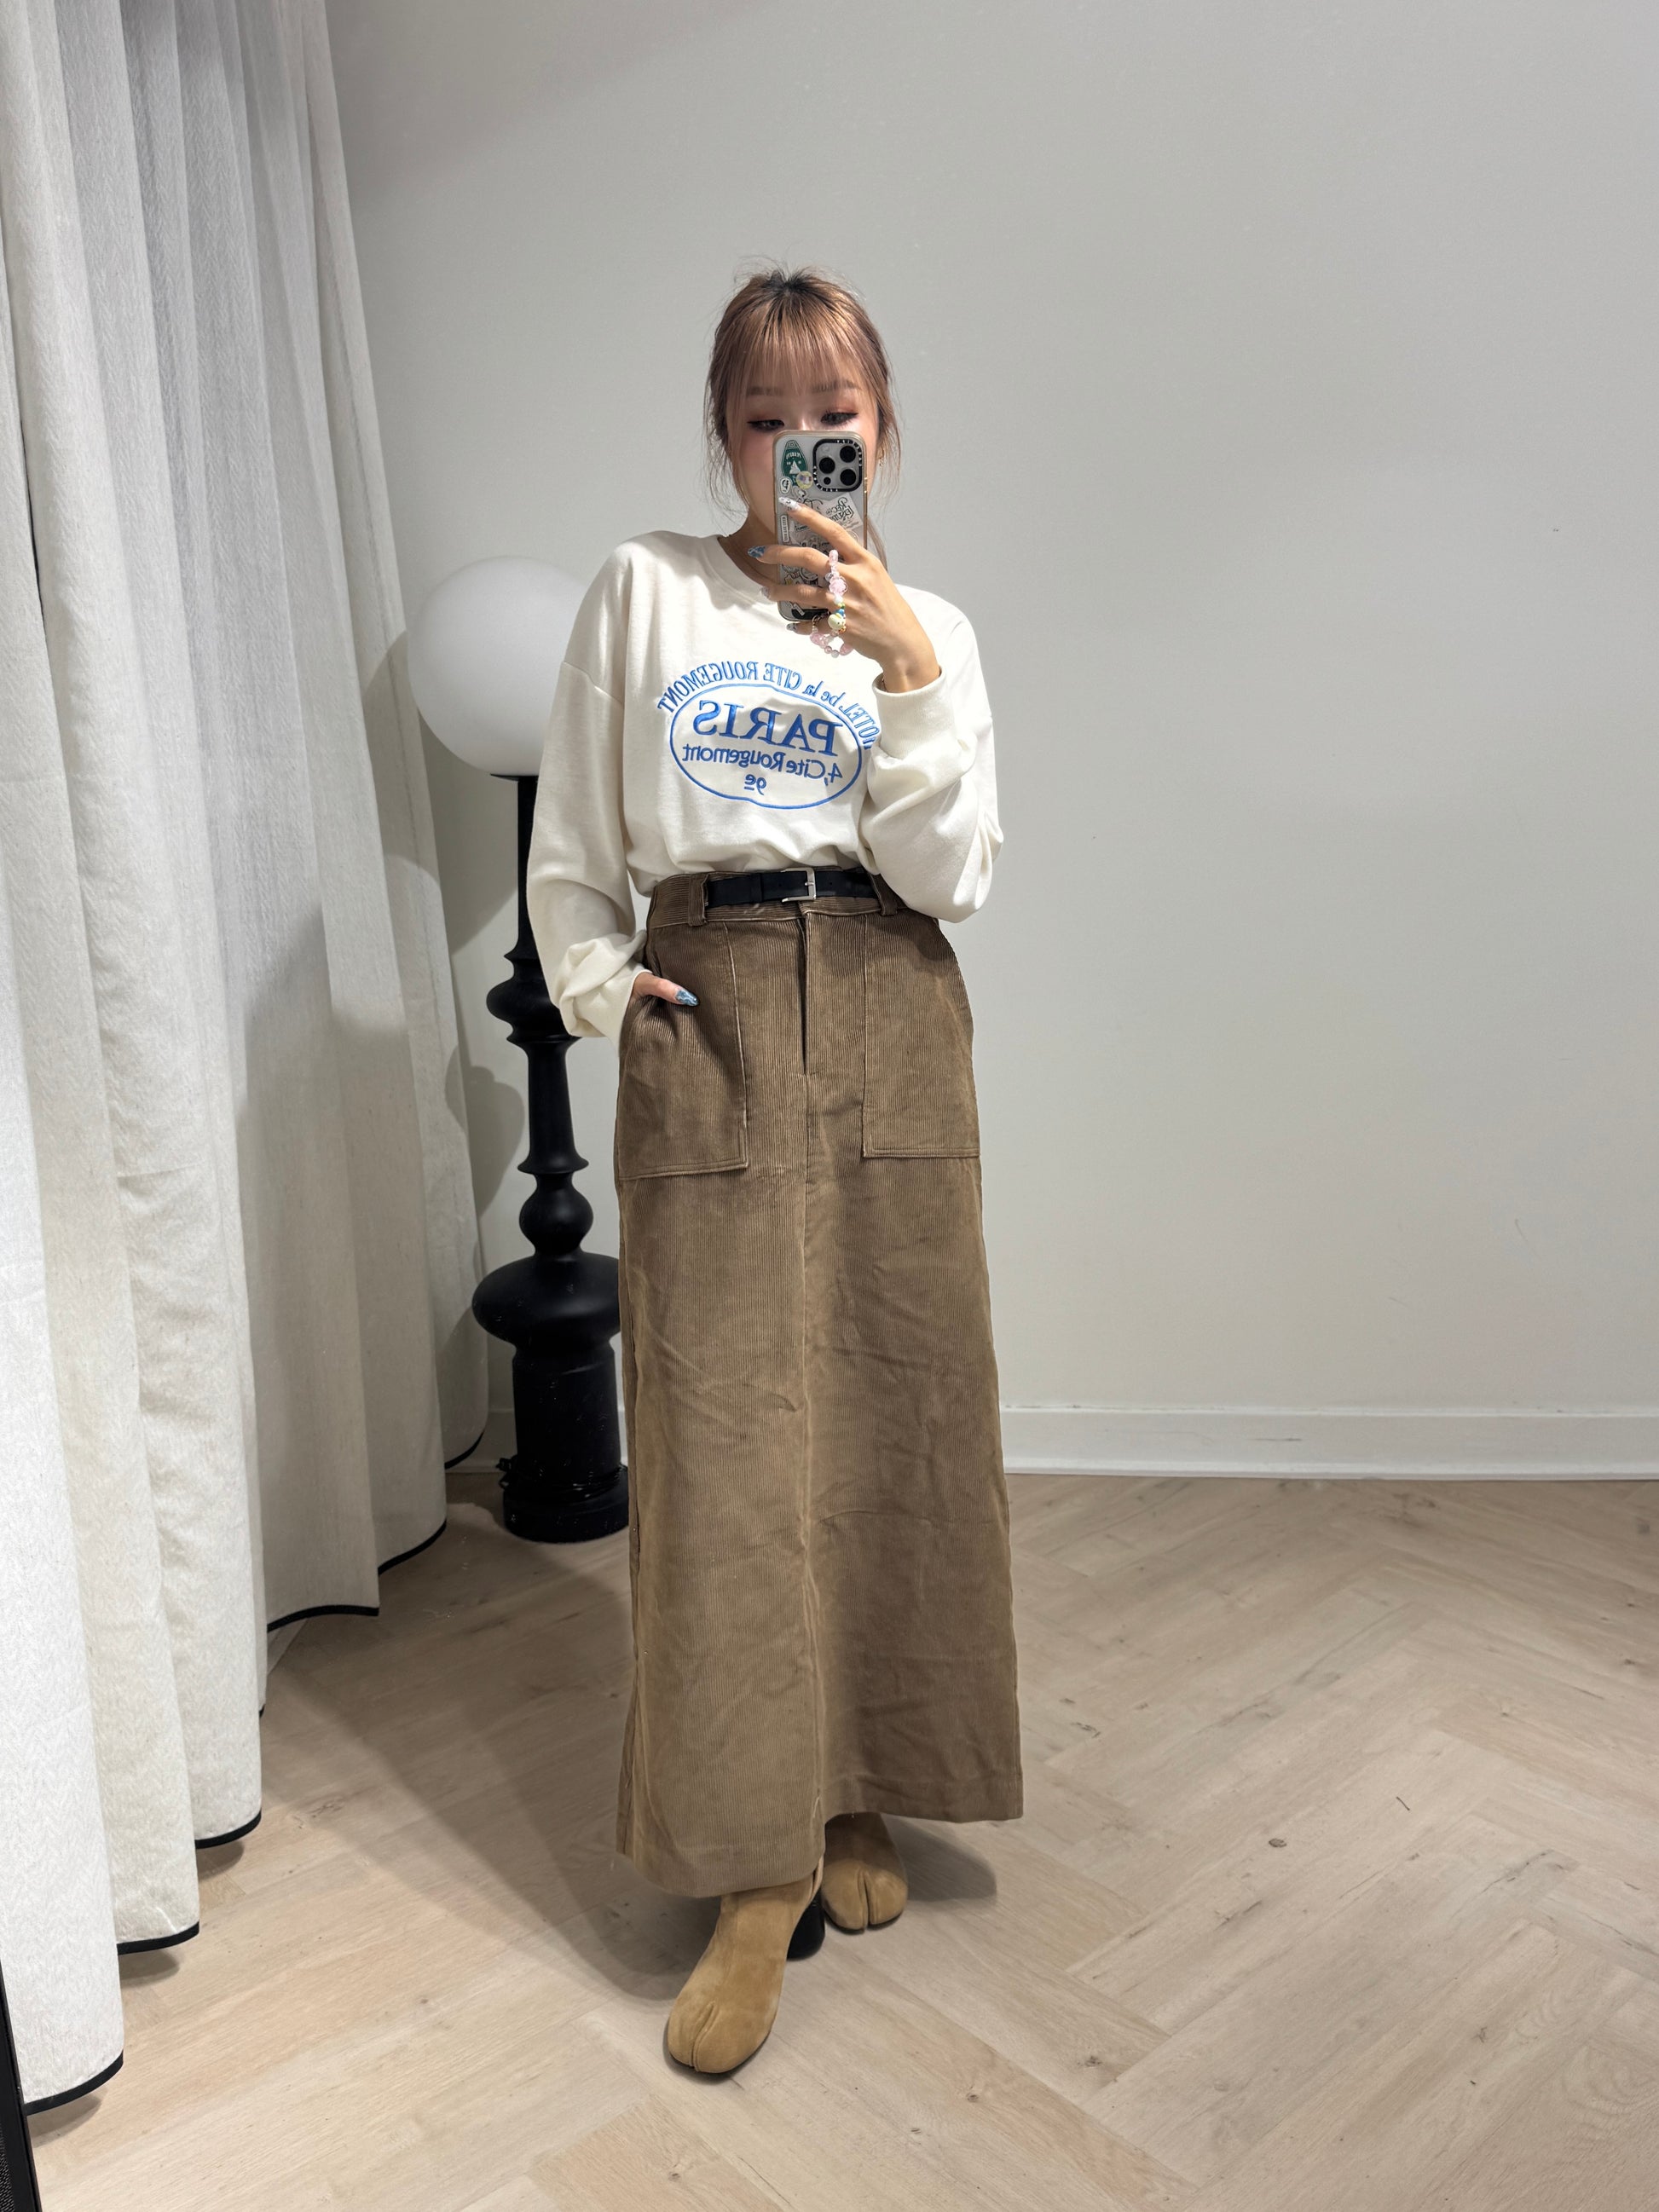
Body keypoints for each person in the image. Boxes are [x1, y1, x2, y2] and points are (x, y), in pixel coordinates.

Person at [525, 264, 1023, 2075]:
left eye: (833, 415)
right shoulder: (647, 587)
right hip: (715, 999)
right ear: (722, 433)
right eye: (763, 417)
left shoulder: (928, 625)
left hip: (890, 990)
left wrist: (905, 672)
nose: (799, 445)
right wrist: (606, 991)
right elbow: (576, 840)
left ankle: (859, 1775)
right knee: (726, 1437)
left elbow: (953, 874)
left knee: (895, 1407)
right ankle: (755, 1856)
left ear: (879, 428)